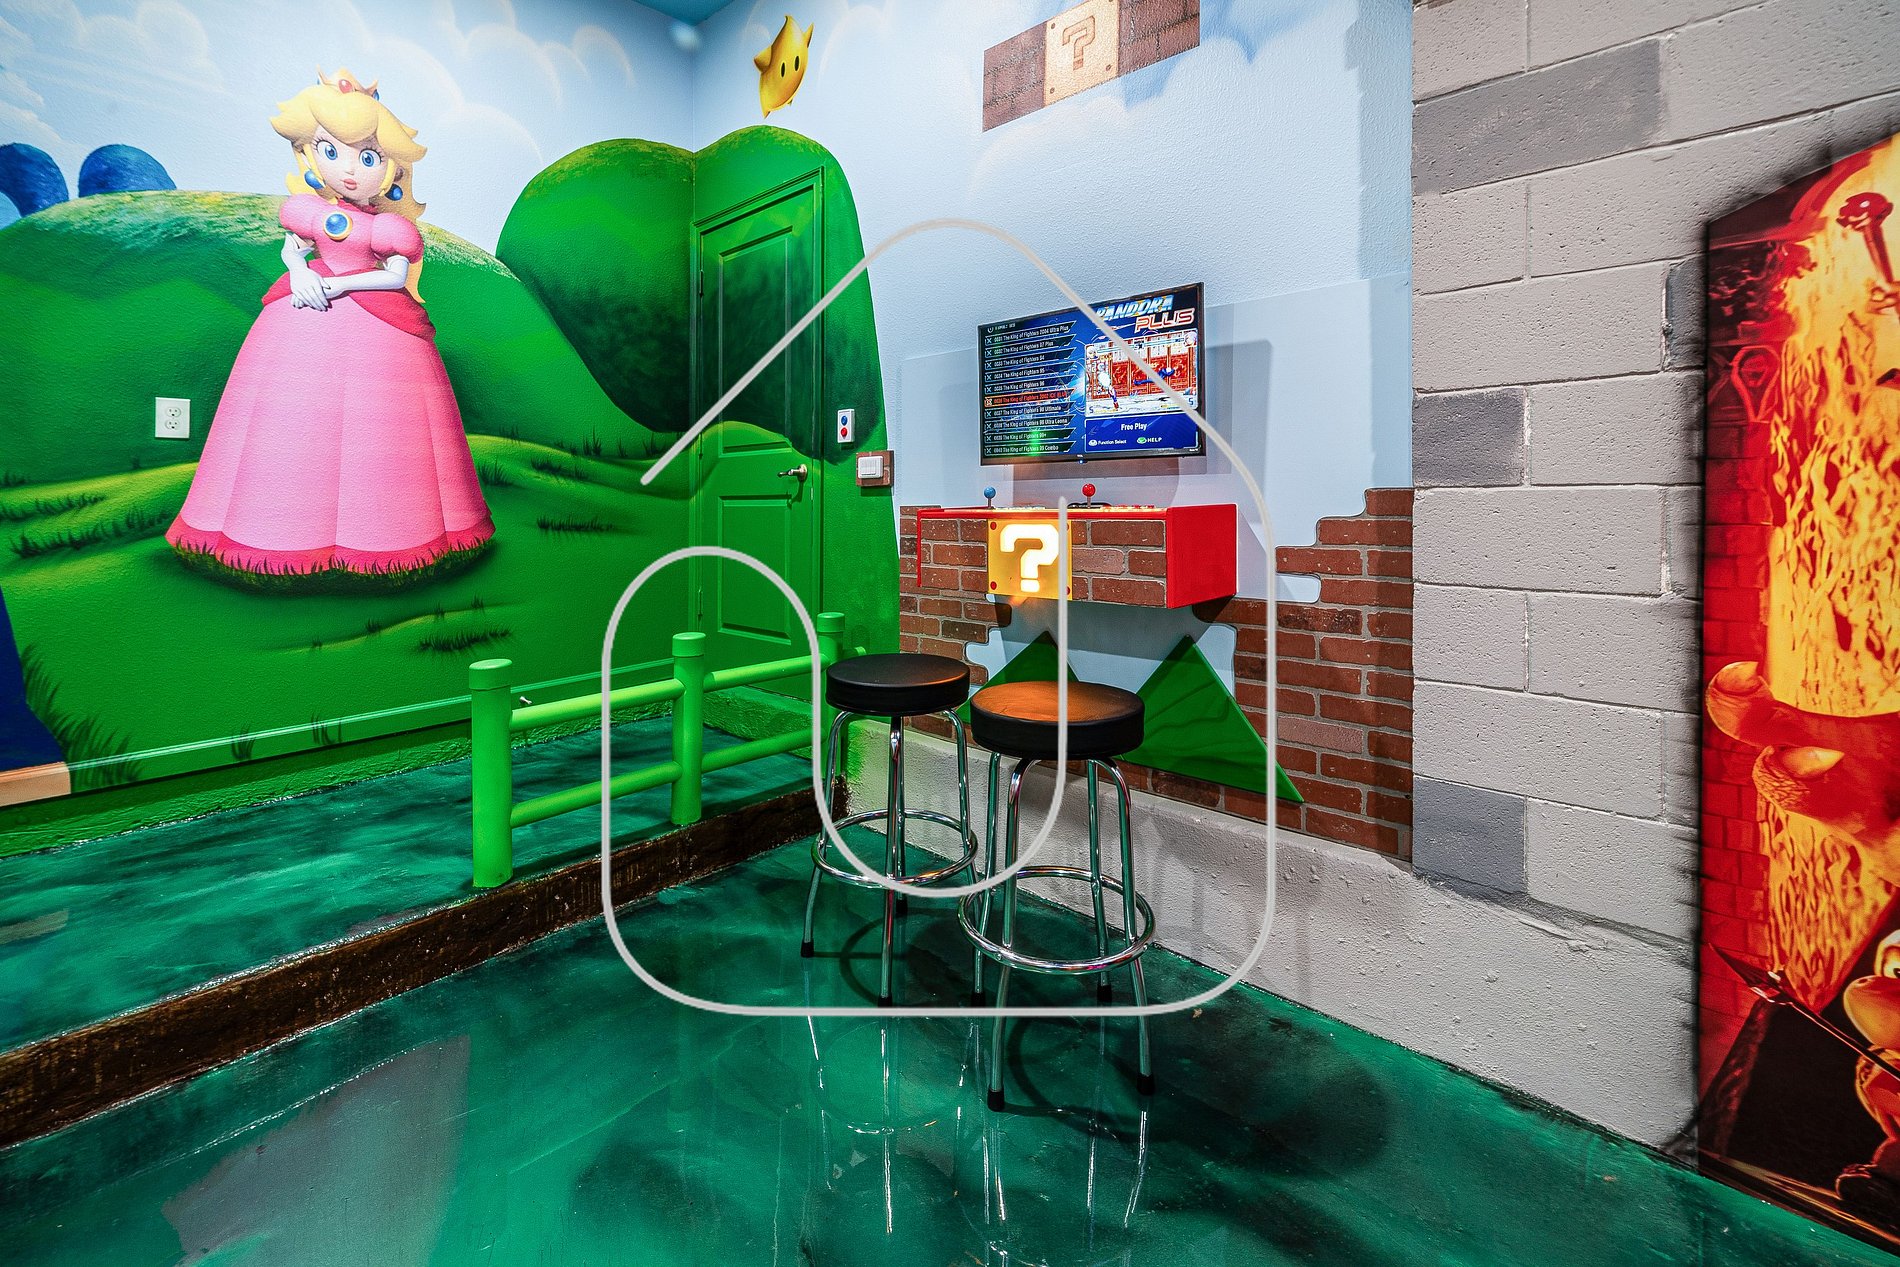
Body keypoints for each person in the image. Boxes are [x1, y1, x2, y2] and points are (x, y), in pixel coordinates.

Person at [166, 69, 492, 582]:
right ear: (310, 153)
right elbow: (291, 251)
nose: (350, 169)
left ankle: (392, 537)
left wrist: (340, 286)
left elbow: (394, 277)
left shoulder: (389, 227)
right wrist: (300, 275)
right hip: (301, 311)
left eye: (368, 157)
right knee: (288, 419)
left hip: (377, 324)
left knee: (382, 426)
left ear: (390, 167)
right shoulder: (309, 213)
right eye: (331, 150)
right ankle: (271, 534)